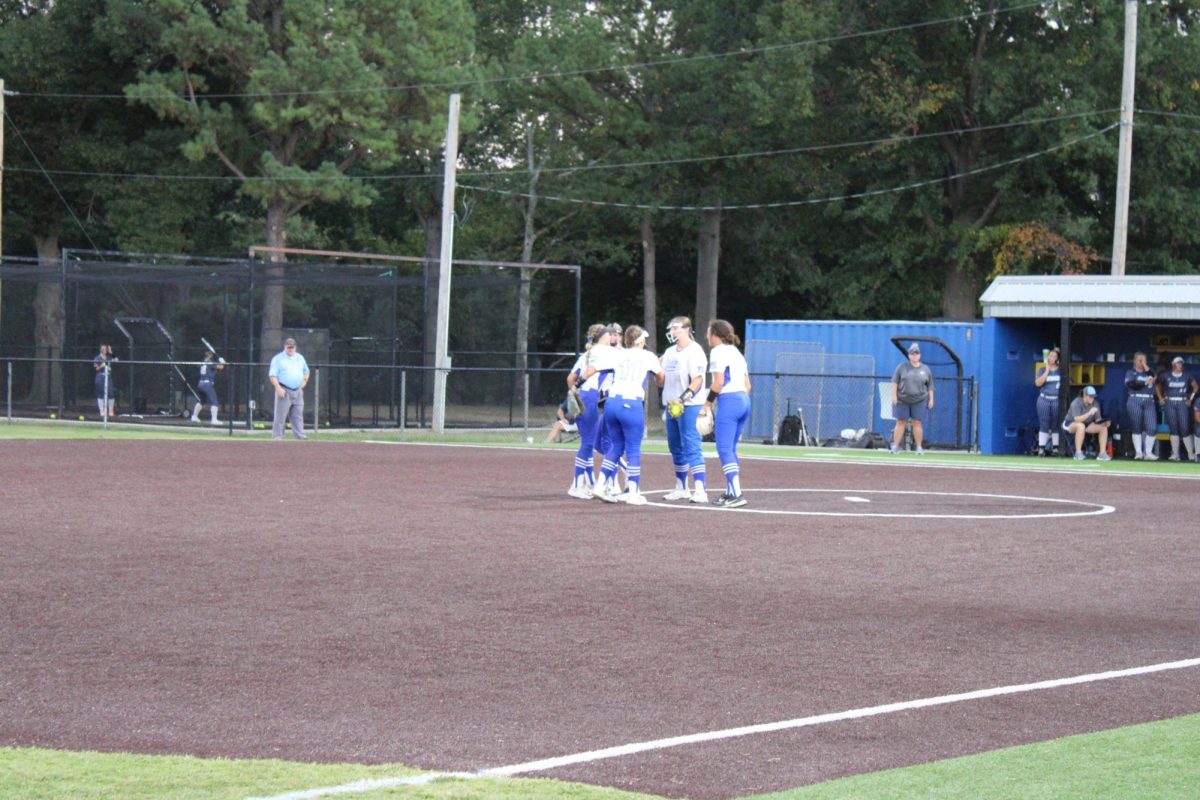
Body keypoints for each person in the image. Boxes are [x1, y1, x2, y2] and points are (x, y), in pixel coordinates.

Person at [594, 326, 664, 506]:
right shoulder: (647, 356)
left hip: (612, 403)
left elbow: (596, 369)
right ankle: (633, 492)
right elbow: (661, 377)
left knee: (616, 446)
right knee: (633, 449)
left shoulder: (618, 354)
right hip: (631, 404)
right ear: (640, 340)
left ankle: (600, 485)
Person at [658, 316, 709, 504]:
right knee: (675, 446)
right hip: (671, 405)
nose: (672, 332)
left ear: (687, 329)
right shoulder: (670, 352)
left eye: (676, 328)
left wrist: (682, 398)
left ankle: (700, 489)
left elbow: (697, 380)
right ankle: (681, 487)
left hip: (689, 405)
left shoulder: (695, 351)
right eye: (671, 328)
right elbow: (661, 378)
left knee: (691, 444)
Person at [703, 319, 751, 508]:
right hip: (743, 400)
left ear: (715, 334)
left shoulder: (718, 351)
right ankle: (732, 492)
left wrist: (707, 404)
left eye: (708, 332)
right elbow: (748, 385)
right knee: (730, 449)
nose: (707, 335)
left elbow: (718, 383)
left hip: (730, 400)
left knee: (723, 449)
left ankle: (737, 493)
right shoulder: (736, 353)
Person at [565, 324, 618, 498]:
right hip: (590, 397)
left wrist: (574, 390)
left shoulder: (588, 353)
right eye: (610, 334)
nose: (613, 337)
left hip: (583, 396)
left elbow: (570, 378)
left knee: (587, 442)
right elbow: (591, 371)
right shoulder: (606, 351)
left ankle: (586, 482)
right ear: (604, 336)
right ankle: (576, 485)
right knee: (588, 443)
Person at [890, 342, 934, 454]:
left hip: (919, 400)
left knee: (917, 423)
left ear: (920, 355)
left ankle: (919, 448)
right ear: (909, 355)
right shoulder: (901, 367)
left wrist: (931, 399)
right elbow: (895, 382)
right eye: (912, 354)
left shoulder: (926, 369)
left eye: (916, 353)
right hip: (902, 399)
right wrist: (894, 396)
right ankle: (895, 446)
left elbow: (930, 386)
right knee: (900, 422)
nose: (915, 356)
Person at [1156, 356, 1197, 462]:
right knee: (1173, 428)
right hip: (1170, 401)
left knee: (1185, 428)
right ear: (1174, 365)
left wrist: (1190, 399)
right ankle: (1175, 454)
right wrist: (1160, 398)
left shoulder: (1187, 376)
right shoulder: (1166, 375)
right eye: (1178, 363)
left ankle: (1191, 454)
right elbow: (1157, 385)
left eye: (1181, 364)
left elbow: (1195, 387)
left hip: (1182, 402)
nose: (1180, 365)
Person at [268, 338, 309, 440]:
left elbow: (306, 371)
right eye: (289, 347)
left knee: (298, 414)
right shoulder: (278, 359)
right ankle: (277, 436)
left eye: (292, 347)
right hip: (284, 389)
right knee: (280, 416)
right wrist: (278, 388)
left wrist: (304, 381)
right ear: (285, 347)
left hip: (298, 390)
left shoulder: (300, 358)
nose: (291, 349)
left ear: (295, 347)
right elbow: (273, 375)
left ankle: (300, 436)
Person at [1062, 385, 1111, 461]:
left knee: (1103, 428)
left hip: (1087, 424)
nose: (1092, 398)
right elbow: (1077, 419)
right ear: (1085, 395)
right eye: (1090, 396)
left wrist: (1104, 423)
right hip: (1070, 423)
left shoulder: (1095, 403)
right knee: (1081, 426)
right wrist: (1089, 413)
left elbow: (1098, 420)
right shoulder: (1077, 402)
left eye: (1093, 396)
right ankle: (1078, 453)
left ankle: (1102, 454)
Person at [1124, 351, 1158, 460]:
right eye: (1140, 360)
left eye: (1144, 360)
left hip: (1148, 400)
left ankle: (1148, 452)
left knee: (1152, 427)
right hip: (1135, 399)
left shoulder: (1148, 372)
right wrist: (1145, 383)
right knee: (1136, 426)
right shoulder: (1130, 372)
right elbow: (1131, 385)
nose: (1141, 362)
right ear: (1134, 361)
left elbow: (1153, 375)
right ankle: (1138, 452)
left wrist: (1145, 365)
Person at [1034, 348, 1062, 456]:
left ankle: (1055, 448)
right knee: (1044, 423)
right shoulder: (1042, 369)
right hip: (1044, 398)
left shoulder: (1060, 370)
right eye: (1050, 356)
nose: (1051, 358)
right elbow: (1038, 383)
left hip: (1056, 399)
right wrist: (1046, 371)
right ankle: (1042, 448)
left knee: (1056, 423)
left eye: (1054, 356)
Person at [191, 351, 226, 425]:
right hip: (207, 384)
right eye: (211, 356)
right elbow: (221, 367)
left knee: (202, 401)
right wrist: (222, 362)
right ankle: (214, 420)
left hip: (200, 384)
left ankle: (194, 416)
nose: (212, 357)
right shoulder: (209, 363)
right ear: (209, 356)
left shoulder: (203, 362)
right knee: (214, 401)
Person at [93, 343, 117, 419]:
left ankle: (110, 411)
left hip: (108, 376)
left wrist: (111, 352)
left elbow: (116, 360)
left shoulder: (109, 357)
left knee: (111, 393)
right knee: (100, 393)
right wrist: (101, 366)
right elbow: (96, 369)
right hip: (100, 376)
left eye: (106, 349)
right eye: (103, 349)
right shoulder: (97, 358)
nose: (104, 350)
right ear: (100, 349)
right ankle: (102, 410)